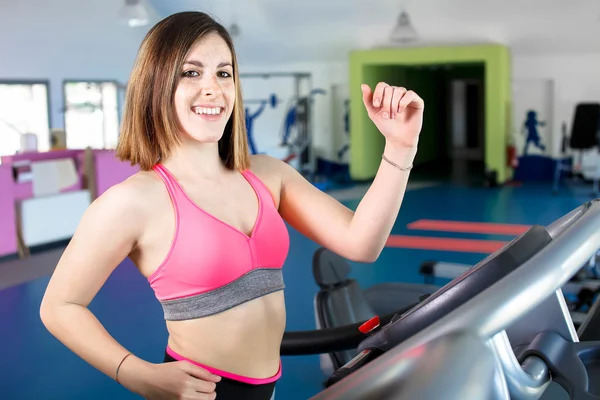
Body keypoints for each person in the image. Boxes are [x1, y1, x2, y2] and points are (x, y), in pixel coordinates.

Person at [39, 11, 424, 400]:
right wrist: (136, 374)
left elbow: (362, 243)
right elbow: (60, 306)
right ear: (156, 84)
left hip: (268, 387)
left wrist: (400, 147)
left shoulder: (268, 175)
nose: (213, 88)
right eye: (191, 73)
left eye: (224, 73)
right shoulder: (133, 201)